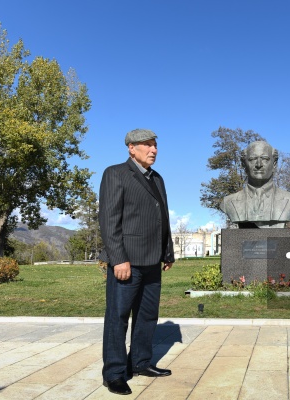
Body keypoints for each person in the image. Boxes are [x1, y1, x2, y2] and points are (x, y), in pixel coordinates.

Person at [98, 128, 175, 395]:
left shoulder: (158, 179)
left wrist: (168, 252)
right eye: (147, 145)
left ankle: (141, 362)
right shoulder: (115, 173)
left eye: (155, 145)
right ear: (131, 148)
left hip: (153, 261)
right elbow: (109, 221)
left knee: (147, 315)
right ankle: (115, 373)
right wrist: (119, 259)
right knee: (117, 318)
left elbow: (162, 217)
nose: (153, 150)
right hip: (126, 262)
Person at [220, 140, 290, 228]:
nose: (259, 164)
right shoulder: (228, 202)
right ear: (244, 164)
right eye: (252, 159)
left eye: (265, 159)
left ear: (274, 164)